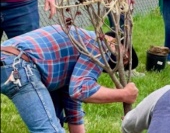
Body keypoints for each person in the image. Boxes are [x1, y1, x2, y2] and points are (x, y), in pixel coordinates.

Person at [0, 25, 139, 133]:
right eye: (124, 58)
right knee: (50, 130)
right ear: (116, 42)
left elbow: (73, 105)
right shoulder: (101, 44)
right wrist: (124, 94)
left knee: (56, 121)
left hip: (9, 60)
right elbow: (80, 90)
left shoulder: (78, 51)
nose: (121, 61)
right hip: (18, 64)